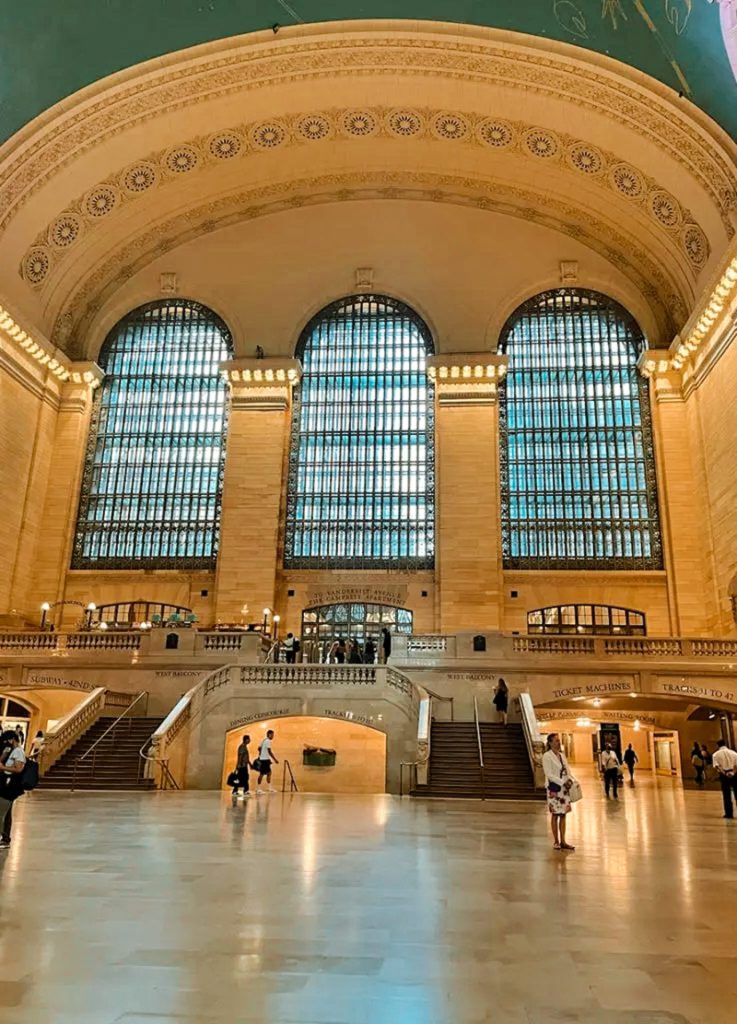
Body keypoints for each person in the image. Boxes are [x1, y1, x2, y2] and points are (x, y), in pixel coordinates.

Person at [542, 733, 576, 851]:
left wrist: (571, 779)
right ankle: (556, 841)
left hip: (564, 789)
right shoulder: (547, 756)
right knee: (555, 814)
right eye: (556, 741)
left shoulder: (562, 756)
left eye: (559, 741)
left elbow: (567, 769)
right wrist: (562, 782)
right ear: (550, 743)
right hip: (554, 789)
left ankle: (563, 840)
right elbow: (549, 774)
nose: (558, 743)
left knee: (563, 814)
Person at [1, 731, 27, 850]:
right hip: (4, 784)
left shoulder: (18, 751)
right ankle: (4, 837)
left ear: (12, 739)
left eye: (7, 741)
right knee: (5, 812)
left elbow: (18, 769)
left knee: (4, 812)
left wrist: (3, 767)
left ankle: (5, 838)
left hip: (10, 785)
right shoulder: (10, 751)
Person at [711, 739, 737, 819]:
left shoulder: (715, 755)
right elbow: (736, 765)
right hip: (735, 775)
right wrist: (733, 772)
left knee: (726, 795)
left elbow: (718, 767)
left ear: (718, 745)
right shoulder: (734, 753)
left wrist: (725, 773)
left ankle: (729, 814)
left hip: (724, 775)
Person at [256, 729, 279, 795]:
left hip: (265, 759)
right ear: (269, 734)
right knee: (262, 774)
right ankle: (258, 789)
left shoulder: (264, 740)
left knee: (269, 773)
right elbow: (269, 751)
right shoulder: (268, 741)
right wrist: (275, 759)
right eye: (272, 735)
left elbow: (259, 748)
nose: (273, 736)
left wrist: (261, 754)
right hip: (264, 760)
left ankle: (269, 788)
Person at [233, 734, 252, 800]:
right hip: (242, 766)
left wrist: (250, 764)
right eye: (249, 739)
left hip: (244, 765)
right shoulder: (242, 747)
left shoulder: (244, 747)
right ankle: (238, 791)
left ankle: (244, 790)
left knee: (245, 778)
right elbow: (240, 757)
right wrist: (238, 766)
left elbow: (246, 757)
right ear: (246, 740)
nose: (250, 740)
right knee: (241, 778)